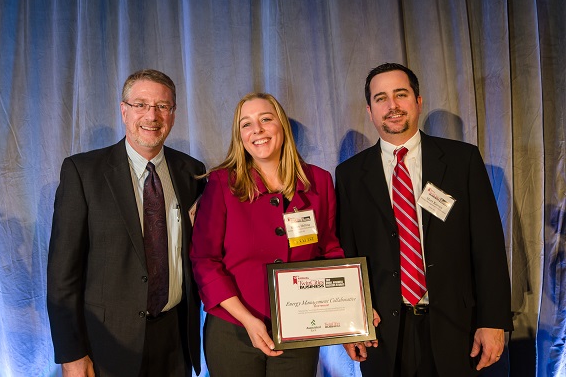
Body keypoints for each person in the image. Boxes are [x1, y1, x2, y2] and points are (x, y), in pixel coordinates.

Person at [335, 63, 513, 377]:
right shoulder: (350, 175)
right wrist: (352, 324)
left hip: (457, 328)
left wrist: (493, 320)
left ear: (418, 101)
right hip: (384, 334)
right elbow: (347, 255)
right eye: (381, 98)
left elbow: (489, 248)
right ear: (370, 110)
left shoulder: (462, 161)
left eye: (400, 95)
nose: (392, 105)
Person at [47, 69, 205, 377]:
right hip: (107, 345)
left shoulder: (192, 172)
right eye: (141, 104)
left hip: (175, 340)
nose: (152, 115)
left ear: (173, 114)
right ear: (124, 110)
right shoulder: (83, 173)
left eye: (162, 106)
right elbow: (62, 276)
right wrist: (72, 354)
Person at [190, 92, 344, 377]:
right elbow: (204, 260)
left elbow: (329, 250)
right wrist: (247, 320)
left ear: (281, 126)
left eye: (265, 119)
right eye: (246, 124)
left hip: (300, 329)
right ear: (240, 137)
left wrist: (351, 310)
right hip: (233, 329)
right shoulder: (222, 183)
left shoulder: (319, 181)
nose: (257, 130)